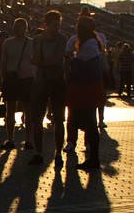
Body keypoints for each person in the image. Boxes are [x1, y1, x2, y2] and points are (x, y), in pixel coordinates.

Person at [64, 12, 108, 168]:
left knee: (89, 122)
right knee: (89, 121)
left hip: (86, 86)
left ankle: (93, 159)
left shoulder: (89, 44)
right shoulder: (91, 42)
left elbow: (81, 64)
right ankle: (92, 157)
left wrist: (72, 60)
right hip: (89, 85)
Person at [26, 10, 66, 166]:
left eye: (59, 25)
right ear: (46, 25)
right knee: (37, 119)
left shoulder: (62, 39)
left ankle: (58, 153)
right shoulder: (38, 39)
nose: (57, 28)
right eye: (54, 25)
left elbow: (55, 60)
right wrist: (43, 60)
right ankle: (38, 152)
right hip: (41, 82)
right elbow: (34, 59)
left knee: (59, 119)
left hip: (57, 82)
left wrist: (42, 62)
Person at [0, 17, 34, 149]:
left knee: (26, 110)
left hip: (25, 78)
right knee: (11, 110)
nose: (19, 29)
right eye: (17, 26)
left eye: (21, 26)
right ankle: (12, 138)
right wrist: (3, 79)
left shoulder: (31, 43)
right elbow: (3, 62)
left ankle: (26, 139)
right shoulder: (8, 43)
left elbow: (4, 63)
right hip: (13, 78)